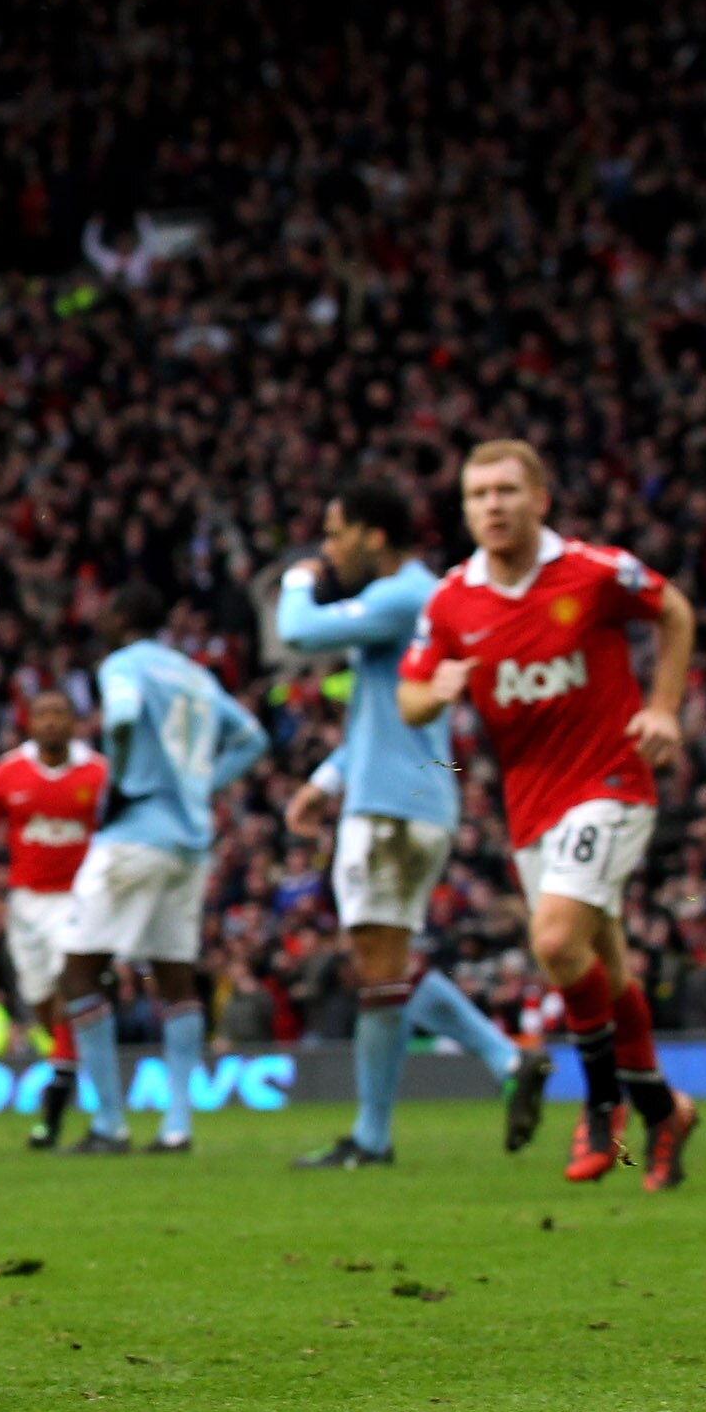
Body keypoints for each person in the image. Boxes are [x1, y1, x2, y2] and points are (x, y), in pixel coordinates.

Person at [400, 440, 699, 1190]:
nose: (492, 505)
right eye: (478, 494)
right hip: (531, 807)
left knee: (556, 939)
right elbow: (409, 697)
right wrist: (435, 694)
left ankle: (602, 1106)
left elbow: (674, 608)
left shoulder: (593, 571)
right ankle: (666, 1109)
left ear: (540, 497)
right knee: (607, 967)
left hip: (611, 780)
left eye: (506, 490)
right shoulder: (449, 601)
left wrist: (663, 707)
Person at [275, 482, 547, 1168]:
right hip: (408, 797)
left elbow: (298, 631)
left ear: (374, 534)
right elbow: (378, 716)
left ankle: (470, 1079)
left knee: (382, 968)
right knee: (387, 969)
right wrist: (324, 783)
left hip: (392, 808)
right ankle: (394, 1122)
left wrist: (295, 579)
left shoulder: (404, 593)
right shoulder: (410, 603)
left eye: (336, 533)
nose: (328, 550)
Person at [58, 583, 268, 1155]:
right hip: (189, 845)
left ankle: (109, 1124)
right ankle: (178, 1124)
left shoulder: (123, 665)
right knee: (174, 978)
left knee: (79, 975)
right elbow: (252, 738)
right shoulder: (195, 675)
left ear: (124, 614)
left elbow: (122, 719)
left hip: (134, 837)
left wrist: (123, 781)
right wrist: (201, 787)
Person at [0, 688, 102, 1146]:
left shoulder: (98, 773)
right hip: (26, 904)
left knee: (70, 992)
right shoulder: (5, 775)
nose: (51, 722)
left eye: (60, 713)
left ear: (74, 721)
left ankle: (55, 1105)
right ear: (29, 723)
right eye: (42, 714)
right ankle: (69, 1064)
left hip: (80, 899)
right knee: (41, 999)